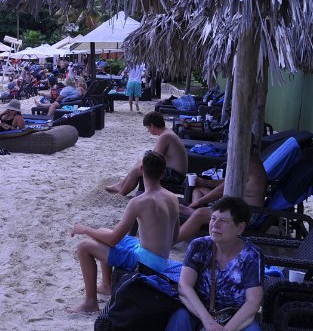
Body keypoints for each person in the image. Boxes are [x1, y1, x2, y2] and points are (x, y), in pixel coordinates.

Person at [156, 197, 263, 331]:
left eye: (223, 221)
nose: (215, 225)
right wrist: (209, 323)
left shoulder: (252, 256)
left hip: (234, 317)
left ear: (240, 227)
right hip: (200, 311)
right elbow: (185, 286)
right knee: (180, 316)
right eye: (213, 219)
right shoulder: (200, 246)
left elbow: (253, 302)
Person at [69, 150, 180, 313]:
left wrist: (85, 229)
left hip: (146, 263)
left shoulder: (138, 202)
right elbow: (175, 237)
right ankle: (106, 285)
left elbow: (113, 239)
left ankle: (90, 302)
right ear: (163, 173)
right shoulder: (173, 198)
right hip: (160, 258)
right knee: (102, 231)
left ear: (141, 170)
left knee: (84, 246)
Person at [177, 147, 267, 243]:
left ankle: (172, 241)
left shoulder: (246, 166)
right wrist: (205, 182)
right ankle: (194, 214)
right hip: (236, 204)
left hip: (248, 213)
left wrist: (199, 201)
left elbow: (221, 191)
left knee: (200, 213)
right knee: (199, 191)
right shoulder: (251, 160)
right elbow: (228, 181)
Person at [106, 111, 187, 195]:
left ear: (152, 125)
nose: (148, 131)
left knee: (136, 171)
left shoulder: (165, 137)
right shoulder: (167, 133)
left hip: (175, 176)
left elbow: (154, 160)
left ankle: (120, 194)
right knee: (139, 162)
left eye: (147, 127)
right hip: (174, 173)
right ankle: (120, 185)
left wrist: (142, 165)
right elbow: (155, 155)